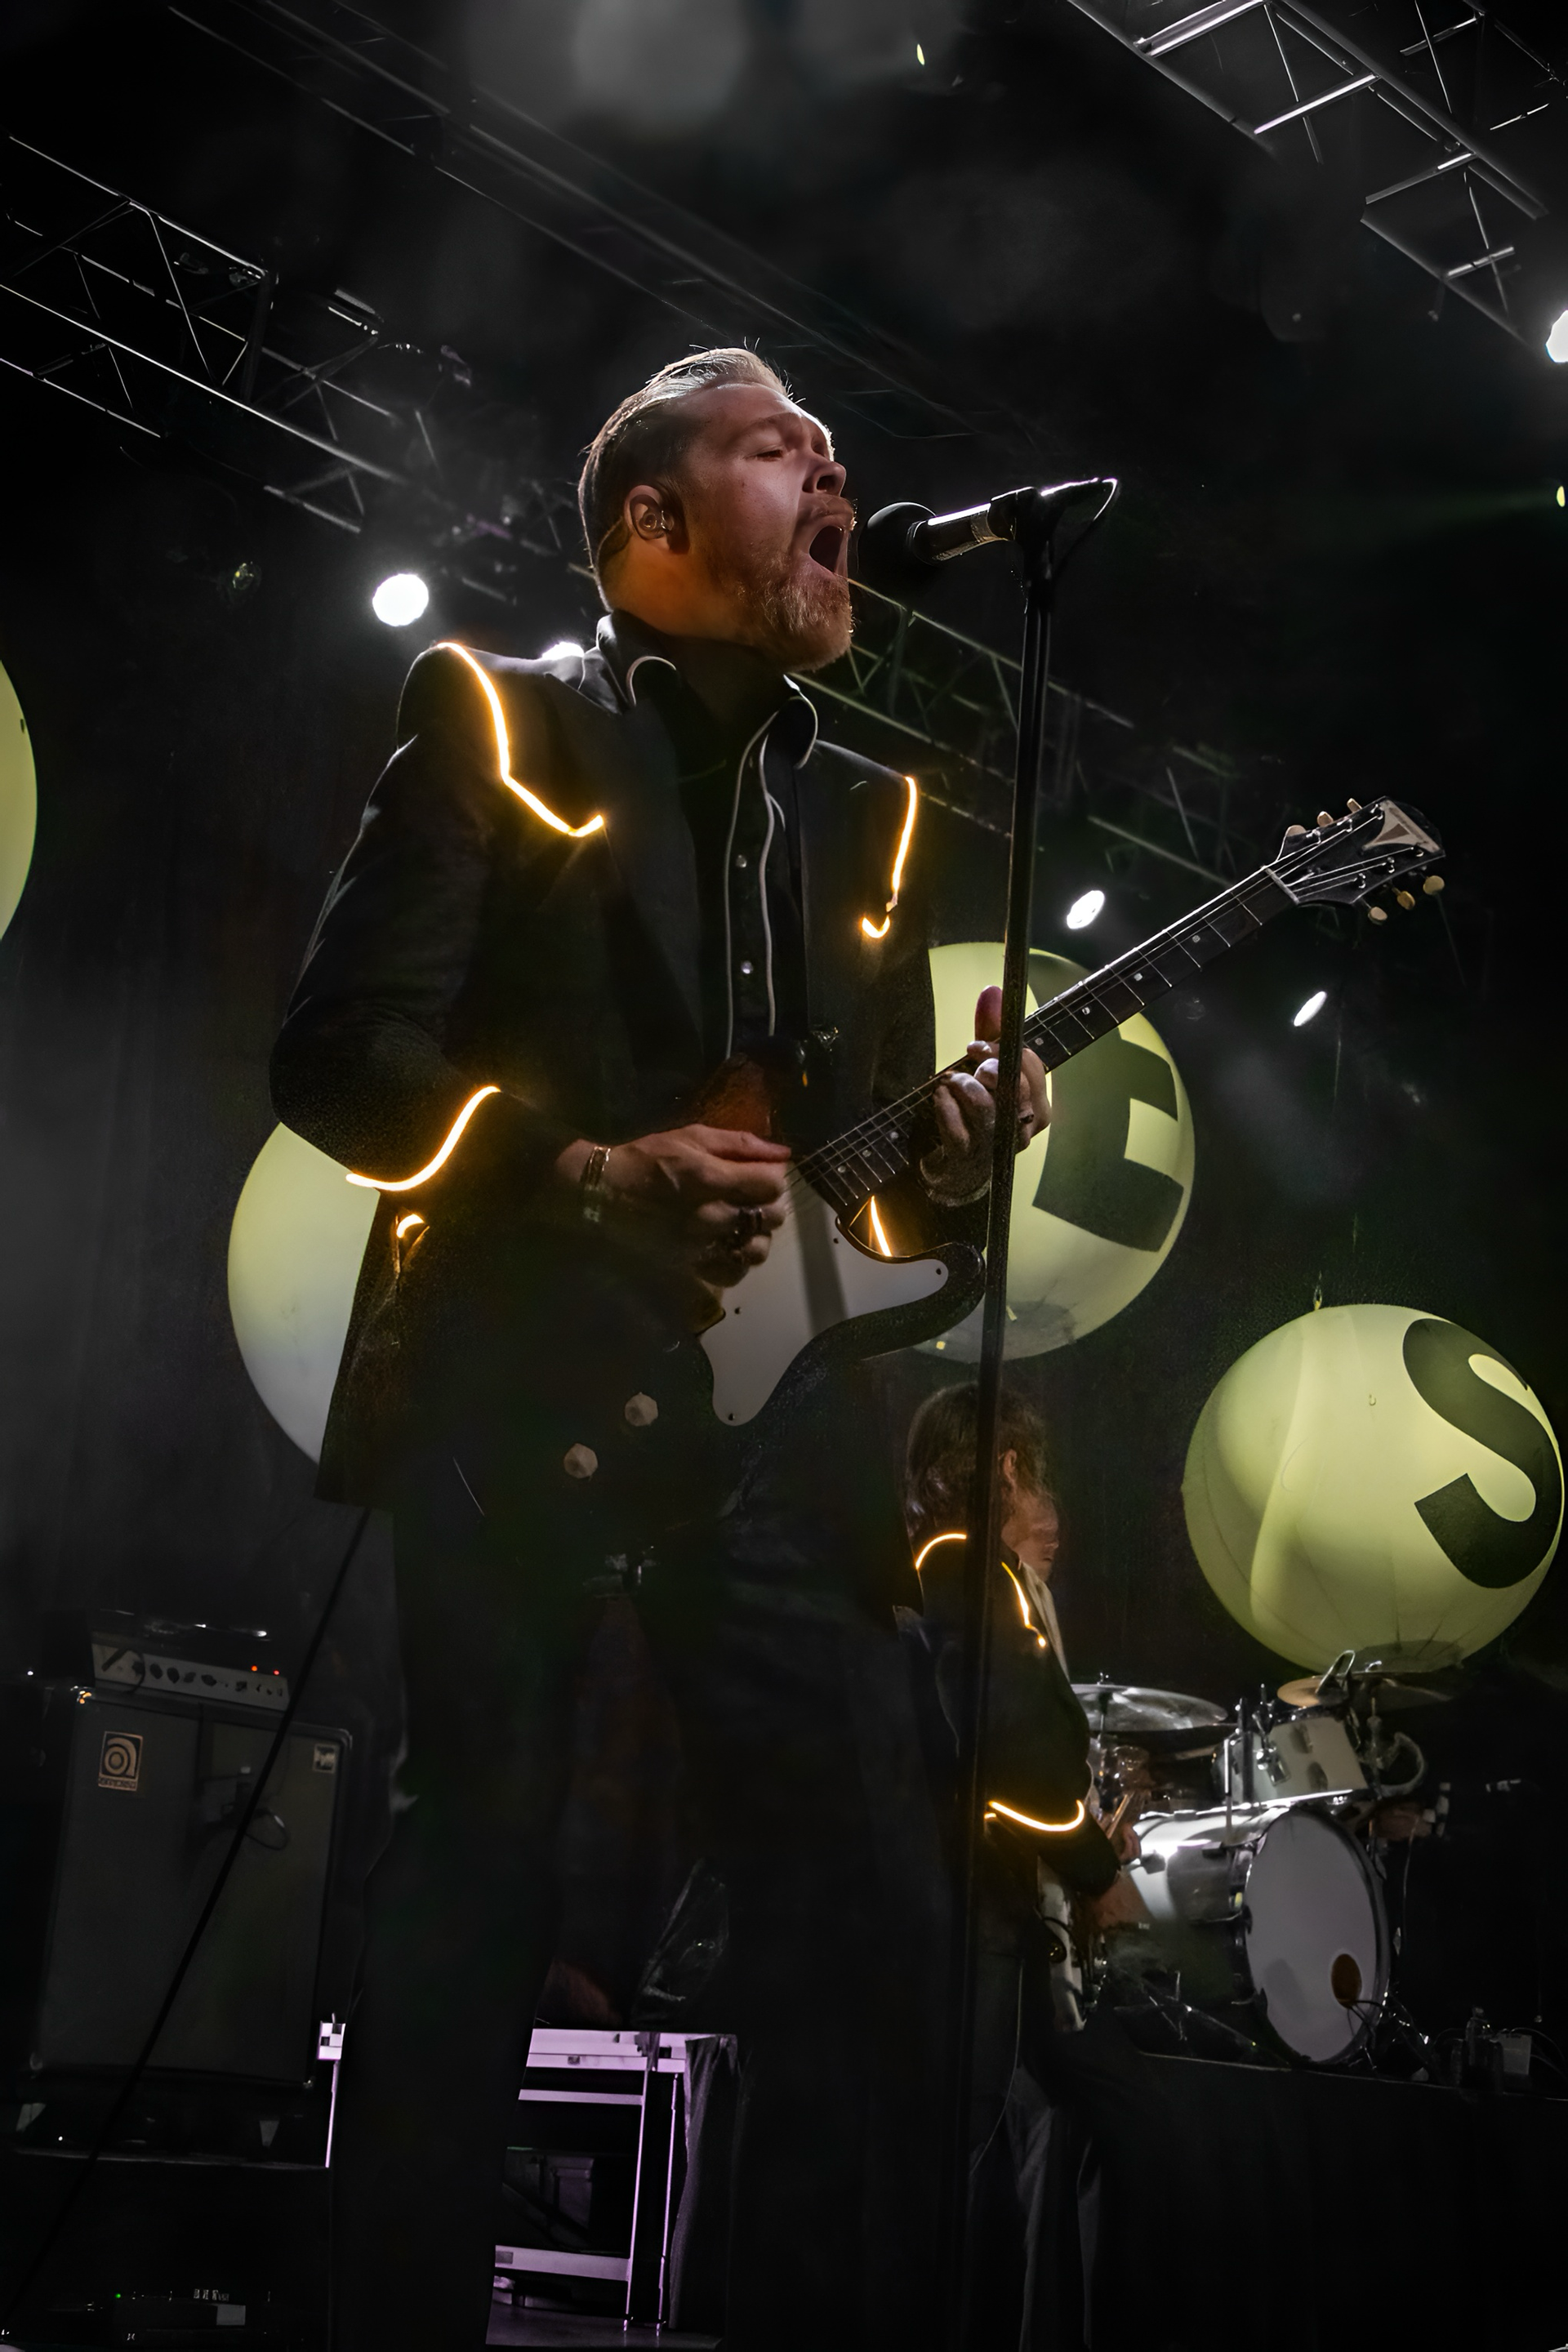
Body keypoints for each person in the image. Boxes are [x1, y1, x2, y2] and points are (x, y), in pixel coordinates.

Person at [270, 345, 1049, 2352]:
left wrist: (953, 1166)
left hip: (782, 1425)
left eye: (837, 449)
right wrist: (587, 1167)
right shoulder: (495, 713)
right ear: (655, 515)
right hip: (518, 1365)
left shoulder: (875, 816)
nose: (835, 470)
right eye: (783, 444)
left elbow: (867, 1203)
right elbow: (341, 1058)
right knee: (478, 1865)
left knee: (870, 1903)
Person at [902, 1383, 1147, 2350]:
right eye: (1029, 1470)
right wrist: (1094, 1869)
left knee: (1011, 2137)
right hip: (977, 1906)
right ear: (1005, 1466)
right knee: (963, 2147)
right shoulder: (965, 1568)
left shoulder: (957, 1568)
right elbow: (1013, 1759)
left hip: (991, 1904)